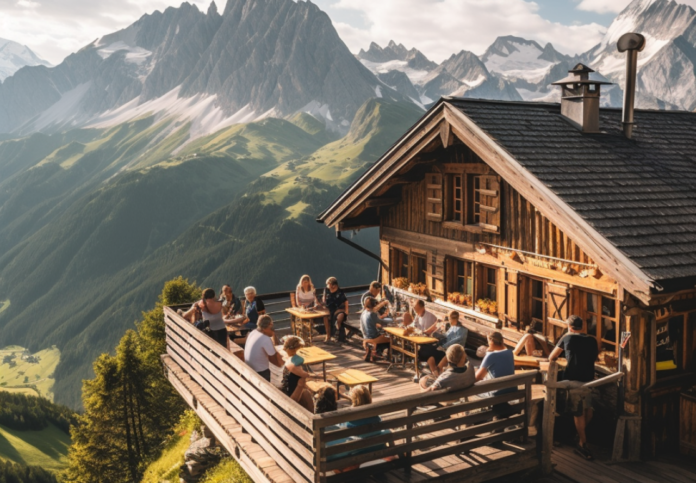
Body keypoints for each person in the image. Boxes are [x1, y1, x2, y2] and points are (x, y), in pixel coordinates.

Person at [548, 315, 599, 460]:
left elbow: (552, 357)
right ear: (582, 327)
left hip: (572, 379)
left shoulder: (567, 338)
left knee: (578, 412)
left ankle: (582, 442)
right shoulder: (592, 340)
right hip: (589, 380)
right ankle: (579, 434)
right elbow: (594, 357)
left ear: (569, 327)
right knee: (588, 411)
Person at [424, 311, 469, 376]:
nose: (448, 321)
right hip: (444, 348)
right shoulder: (453, 327)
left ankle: (435, 372)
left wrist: (444, 346)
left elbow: (456, 340)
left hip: (452, 351)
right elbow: (445, 335)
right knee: (429, 351)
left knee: (430, 353)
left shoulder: (463, 330)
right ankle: (434, 372)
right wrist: (436, 333)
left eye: (449, 319)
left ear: (452, 319)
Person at [280, 336, 318, 412]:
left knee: (308, 392)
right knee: (308, 396)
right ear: (296, 348)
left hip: (288, 387)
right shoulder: (292, 362)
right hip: (292, 392)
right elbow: (304, 375)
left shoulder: (287, 357)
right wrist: (315, 376)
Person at [244, 315, 282, 381]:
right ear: (266, 326)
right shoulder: (265, 338)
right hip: (260, 372)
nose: (273, 330)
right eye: (271, 327)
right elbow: (275, 361)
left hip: (249, 368)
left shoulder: (253, 332)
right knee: (280, 368)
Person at [361, 297, 391, 362]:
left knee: (382, 336)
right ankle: (389, 357)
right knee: (390, 340)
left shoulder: (364, 313)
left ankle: (375, 353)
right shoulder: (372, 314)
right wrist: (392, 320)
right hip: (373, 336)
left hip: (365, 336)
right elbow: (381, 321)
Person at [323, 277, 349, 343]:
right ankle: (328, 335)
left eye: (328, 284)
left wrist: (346, 311)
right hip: (329, 309)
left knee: (340, 316)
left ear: (333, 285)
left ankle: (337, 332)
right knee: (325, 317)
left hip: (338, 309)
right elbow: (324, 299)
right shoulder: (326, 290)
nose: (327, 286)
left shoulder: (340, 292)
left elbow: (345, 301)